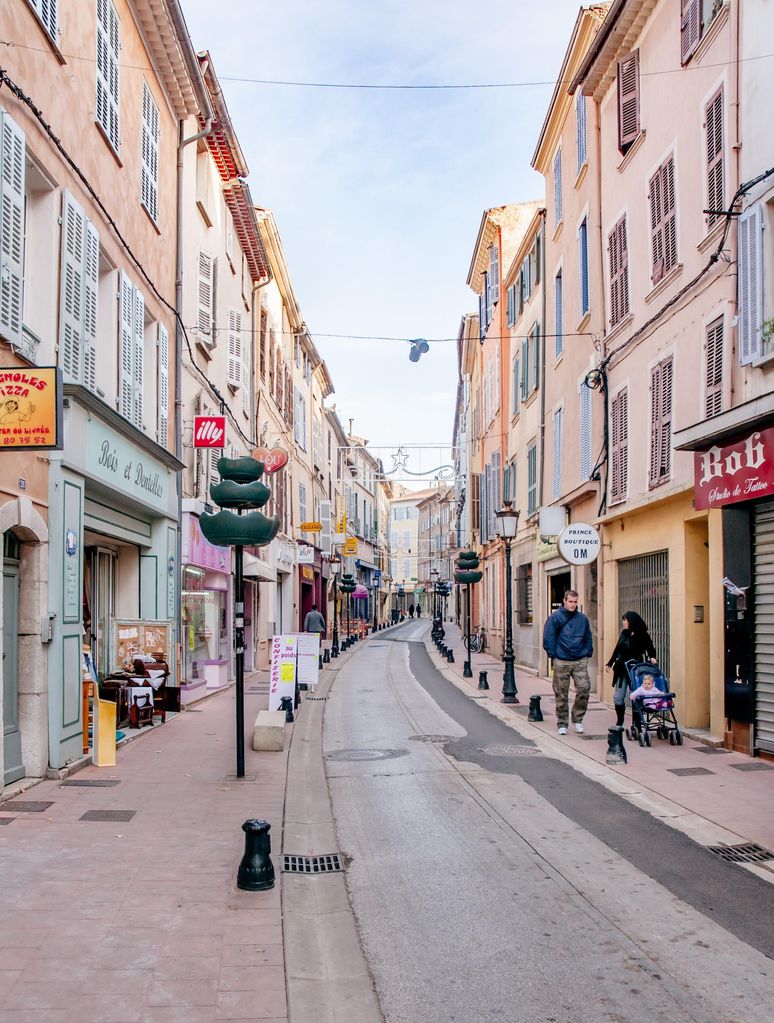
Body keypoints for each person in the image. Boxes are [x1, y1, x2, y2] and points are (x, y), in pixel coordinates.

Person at [542, 590, 593, 735]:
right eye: (570, 601)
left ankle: (577, 719)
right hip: (562, 660)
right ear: (564, 601)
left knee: (584, 689)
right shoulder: (555, 617)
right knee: (561, 693)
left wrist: (587, 652)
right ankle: (562, 723)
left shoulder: (582, 619)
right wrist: (554, 655)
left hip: (580, 660)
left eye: (575, 602)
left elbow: (588, 637)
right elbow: (548, 637)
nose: (573, 604)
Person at [605, 611, 657, 726]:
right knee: (618, 697)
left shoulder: (643, 635)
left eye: (625, 620)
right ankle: (620, 722)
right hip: (621, 669)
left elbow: (650, 648)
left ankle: (637, 723)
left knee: (636, 696)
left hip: (636, 670)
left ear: (632, 621)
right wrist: (610, 663)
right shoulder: (624, 633)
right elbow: (617, 649)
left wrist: (653, 657)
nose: (623, 622)